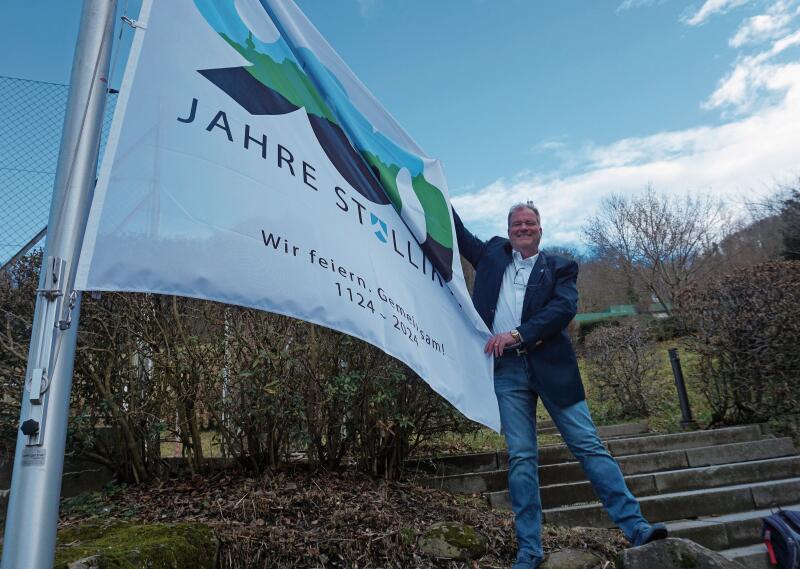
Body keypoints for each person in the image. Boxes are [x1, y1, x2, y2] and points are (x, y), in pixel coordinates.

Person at [453, 202, 667, 569]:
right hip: (506, 373)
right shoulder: (489, 253)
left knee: (589, 446)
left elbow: (562, 309)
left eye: (530, 222)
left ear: (540, 228)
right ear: (508, 229)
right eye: (517, 223)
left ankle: (636, 527)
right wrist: (427, 177)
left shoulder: (560, 267)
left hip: (552, 367)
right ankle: (529, 552)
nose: (523, 227)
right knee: (521, 457)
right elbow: (454, 231)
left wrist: (518, 334)